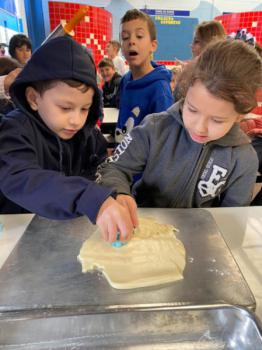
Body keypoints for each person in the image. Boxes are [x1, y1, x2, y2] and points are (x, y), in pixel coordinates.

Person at [97, 40, 261, 227]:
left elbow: (233, 222)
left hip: (199, 238)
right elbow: (115, 167)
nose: (200, 127)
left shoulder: (243, 159)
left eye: (217, 120)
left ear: (240, 115)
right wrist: (119, 193)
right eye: (192, 109)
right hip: (141, 227)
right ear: (185, 91)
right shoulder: (156, 127)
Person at [0, 36, 136, 243]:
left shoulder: (88, 135)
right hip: (16, 239)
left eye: (85, 108)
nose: (76, 120)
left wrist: (116, 192)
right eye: (65, 108)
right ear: (34, 99)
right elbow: (23, 179)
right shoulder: (15, 131)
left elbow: (101, 168)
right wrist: (89, 198)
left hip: (65, 239)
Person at [115, 9, 173, 143]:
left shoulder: (160, 90)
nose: (131, 41)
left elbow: (163, 141)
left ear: (153, 46)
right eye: (125, 37)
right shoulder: (125, 80)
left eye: (139, 36)